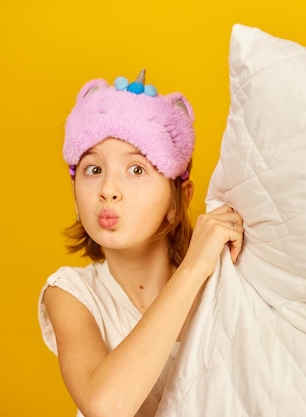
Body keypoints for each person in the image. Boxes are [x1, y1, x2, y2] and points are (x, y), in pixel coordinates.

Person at [38, 70, 244, 417]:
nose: (108, 190)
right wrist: (193, 268)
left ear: (177, 201)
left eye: (136, 170)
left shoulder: (225, 288)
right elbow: (105, 406)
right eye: (92, 169)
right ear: (75, 199)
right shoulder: (70, 293)